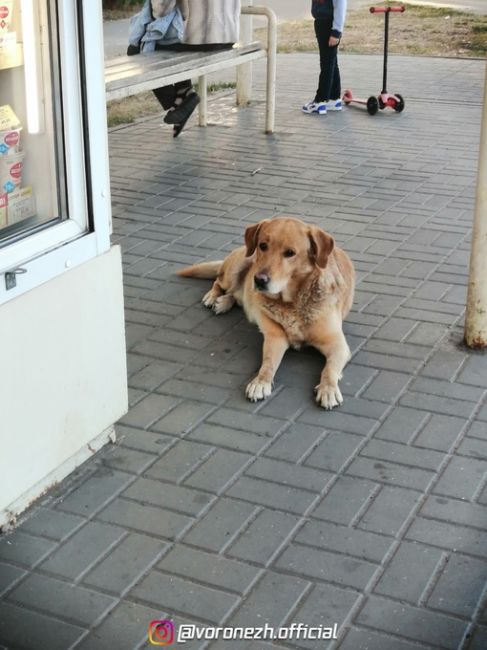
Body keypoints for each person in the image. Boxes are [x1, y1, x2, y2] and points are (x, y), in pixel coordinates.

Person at [128, 0, 240, 136]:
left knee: (138, 49)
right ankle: (183, 92)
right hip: (228, 34)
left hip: (200, 37)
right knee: (170, 44)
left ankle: (177, 102)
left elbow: (162, 8)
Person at [302, 0, 347, 115]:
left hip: (329, 25)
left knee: (326, 63)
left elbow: (340, 5)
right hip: (322, 22)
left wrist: (336, 31)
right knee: (331, 62)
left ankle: (320, 101)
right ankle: (334, 98)